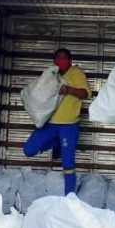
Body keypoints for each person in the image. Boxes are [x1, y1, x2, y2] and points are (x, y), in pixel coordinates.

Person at [22, 48, 91, 194]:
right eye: (58, 58)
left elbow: (85, 94)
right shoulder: (51, 74)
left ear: (70, 60)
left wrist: (69, 90)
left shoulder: (76, 73)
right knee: (29, 150)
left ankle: (69, 198)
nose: (61, 60)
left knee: (68, 163)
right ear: (54, 61)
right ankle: (58, 142)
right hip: (49, 124)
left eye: (64, 58)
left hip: (69, 125)